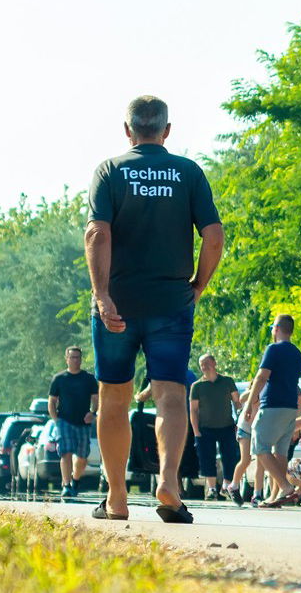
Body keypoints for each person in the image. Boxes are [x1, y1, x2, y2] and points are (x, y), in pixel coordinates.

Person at [85, 95, 225, 524]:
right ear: (166, 130)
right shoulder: (188, 172)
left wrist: (102, 294)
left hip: (119, 304)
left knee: (114, 395)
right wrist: (198, 286)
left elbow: (97, 236)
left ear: (128, 130)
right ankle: (168, 484)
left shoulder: (110, 170)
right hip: (171, 302)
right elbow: (214, 236)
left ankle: (116, 497)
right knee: (170, 394)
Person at [243, 315, 301, 508]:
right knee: (280, 452)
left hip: (273, 405)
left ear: (277, 329)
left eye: (272, 328)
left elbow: (262, 377)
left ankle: (286, 488)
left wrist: (250, 401)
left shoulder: (273, 349)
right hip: (290, 408)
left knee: (259, 446)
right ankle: (275, 496)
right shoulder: (297, 353)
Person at [189, 354, 243, 501]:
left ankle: (226, 486)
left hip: (227, 426)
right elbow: (193, 409)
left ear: (214, 363)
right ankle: (212, 489)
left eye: (206, 363)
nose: (204, 367)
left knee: (230, 456)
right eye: (201, 364)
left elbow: (236, 402)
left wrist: (240, 420)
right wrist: (196, 430)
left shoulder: (227, 381)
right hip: (205, 428)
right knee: (207, 458)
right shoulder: (197, 386)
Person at [48, 346, 99, 497]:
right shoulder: (59, 379)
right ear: (67, 359)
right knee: (66, 452)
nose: (75, 360)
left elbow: (96, 399)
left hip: (83, 422)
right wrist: (56, 419)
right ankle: (66, 484)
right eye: (72, 357)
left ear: (81, 359)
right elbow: (52, 401)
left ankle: (75, 480)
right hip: (64, 421)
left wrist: (92, 412)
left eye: (78, 357)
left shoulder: (88, 378)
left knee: (83, 456)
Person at [228, 384, 258, 506]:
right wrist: (255, 389)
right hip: (245, 428)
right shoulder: (251, 390)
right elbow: (241, 398)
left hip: (259, 429)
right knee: (246, 459)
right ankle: (233, 486)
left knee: (261, 461)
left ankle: (258, 493)